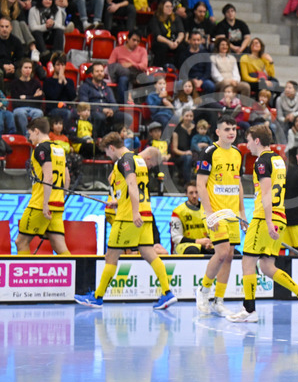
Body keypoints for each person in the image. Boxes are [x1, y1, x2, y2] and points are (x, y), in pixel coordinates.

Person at [74, 132, 177, 309]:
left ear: (112, 147)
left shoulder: (125, 160)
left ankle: (97, 297)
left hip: (129, 217)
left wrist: (134, 211)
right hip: (146, 215)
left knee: (111, 256)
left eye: (107, 152)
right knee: (149, 254)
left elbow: (132, 185)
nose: (107, 156)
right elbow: (132, 189)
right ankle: (167, 293)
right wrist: (119, 201)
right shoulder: (138, 160)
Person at [227, 125, 298, 323]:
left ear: (257, 141)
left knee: (248, 261)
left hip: (264, 218)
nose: (247, 145)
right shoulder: (279, 160)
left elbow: (266, 193)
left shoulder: (261, 161)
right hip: (280, 217)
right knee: (267, 266)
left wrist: (267, 222)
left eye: (249, 140)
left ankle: (249, 310)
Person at [194, 116, 246, 318]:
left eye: (233, 128)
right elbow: (200, 184)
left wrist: (242, 212)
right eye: (227, 129)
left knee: (230, 256)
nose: (231, 132)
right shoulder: (209, 152)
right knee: (222, 252)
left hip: (232, 213)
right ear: (218, 132)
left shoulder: (237, 153)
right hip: (215, 212)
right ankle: (203, 290)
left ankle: (219, 300)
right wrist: (209, 214)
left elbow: (238, 184)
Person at [15, 117, 69, 255]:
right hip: (57, 204)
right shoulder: (59, 148)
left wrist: (45, 204)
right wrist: (60, 198)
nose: (29, 137)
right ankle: (78, 276)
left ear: (37, 131)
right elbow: (67, 178)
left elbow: (49, 176)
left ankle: (24, 276)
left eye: (30, 133)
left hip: (40, 205)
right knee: (60, 248)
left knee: (21, 242)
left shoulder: (41, 148)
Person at [170, 180, 213, 255]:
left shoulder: (208, 209)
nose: (194, 196)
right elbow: (176, 237)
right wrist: (198, 241)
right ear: (186, 194)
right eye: (191, 193)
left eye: (197, 192)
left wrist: (209, 241)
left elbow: (213, 231)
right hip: (185, 245)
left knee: (229, 251)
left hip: (205, 243)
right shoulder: (178, 211)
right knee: (193, 250)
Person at [106, 30, 148, 102]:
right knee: (123, 77)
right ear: (128, 39)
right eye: (134, 40)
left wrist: (131, 64)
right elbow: (111, 65)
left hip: (136, 73)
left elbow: (144, 66)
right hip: (121, 74)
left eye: (138, 41)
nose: (135, 43)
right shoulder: (117, 50)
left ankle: (125, 102)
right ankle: (124, 103)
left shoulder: (142, 50)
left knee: (125, 78)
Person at [7, 58, 43, 135]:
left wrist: (26, 98)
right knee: (20, 113)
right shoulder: (15, 83)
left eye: (30, 68)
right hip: (20, 109)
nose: (28, 70)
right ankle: (27, 135)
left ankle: (32, 134)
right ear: (21, 69)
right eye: (25, 67)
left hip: (34, 109)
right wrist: (33, 96)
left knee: (39, 113)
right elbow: (16, 102)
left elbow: (38, 102)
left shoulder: (36, 83)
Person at [169, 108, 195, 184]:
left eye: (191, 116)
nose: (189, 118)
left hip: (196, 154)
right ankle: (187, 183)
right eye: (187, 116)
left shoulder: (197, 128)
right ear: (183, 117)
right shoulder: (177, 130)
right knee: (188, 158)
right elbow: (174, 149)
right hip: (180, 156)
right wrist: (185, 153)